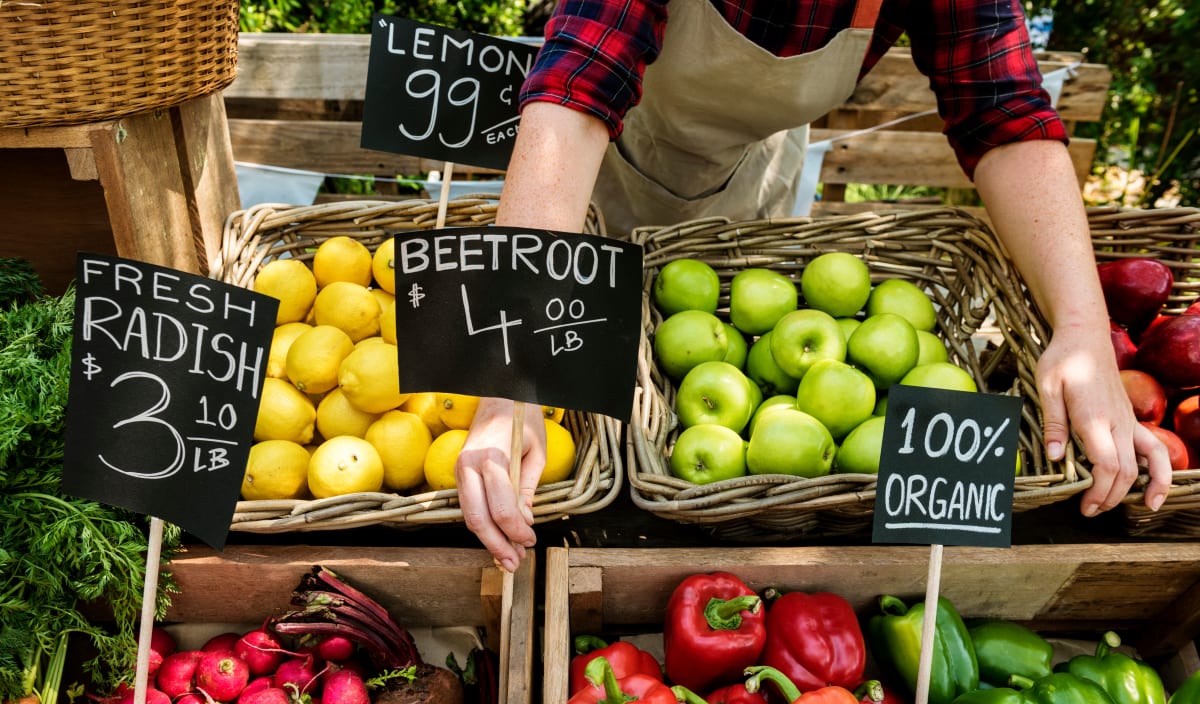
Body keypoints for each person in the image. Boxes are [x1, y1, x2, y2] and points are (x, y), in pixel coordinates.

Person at [454, 0, 1173, 571]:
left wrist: (1082, 331)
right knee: (606, 416)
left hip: (750, 168)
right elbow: (582, 79)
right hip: (603, 166)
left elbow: (1003, 110)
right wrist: (513, 367)